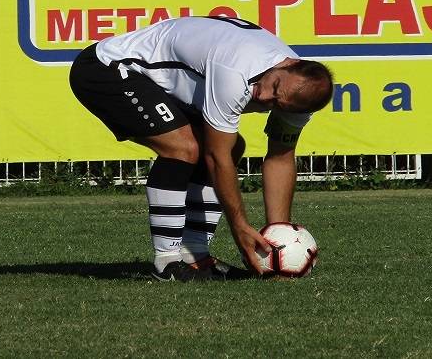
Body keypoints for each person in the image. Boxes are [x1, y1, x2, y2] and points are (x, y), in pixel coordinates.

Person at [69, 15, 333, 281]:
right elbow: (216, 158)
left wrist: (277, 241)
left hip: (156, 80)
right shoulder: (236, 68)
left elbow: (280, 159)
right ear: (288, 63)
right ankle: (167, 262)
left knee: (230, 147)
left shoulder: (298, 95)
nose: (264, 97)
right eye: (274, 86)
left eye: (277, 103)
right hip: (106, 68)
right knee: (184, 148)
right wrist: (239, 227)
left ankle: (194, 257)